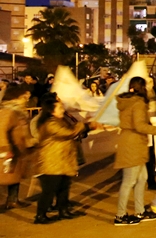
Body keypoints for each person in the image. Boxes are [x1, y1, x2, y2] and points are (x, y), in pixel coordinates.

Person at [113, 77, 156, 225]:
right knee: (129, 180)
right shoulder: (138, 103)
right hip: (133, 144)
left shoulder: (129, 102)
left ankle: (140, 211)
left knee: (142, 178)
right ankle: (120, 215)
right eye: (147, 85)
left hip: (133, 143)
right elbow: (140, 125)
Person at [33, 95, 91, 224]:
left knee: (64, 188)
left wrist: (87, 126)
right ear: (51, 111)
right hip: (52, 162)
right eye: (59, 108)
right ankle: (40, 215)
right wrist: (83, 124)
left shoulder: (61, 121)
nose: (62, 109)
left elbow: (73, 131)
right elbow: (68, 133)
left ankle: (63, 211)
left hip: (62, 160)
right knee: (49, 191)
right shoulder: (50, 124)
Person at [0, 86, 36, 212]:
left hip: (17, 150)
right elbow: (1, 130)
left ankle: (12, 200)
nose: (26, 100)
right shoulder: (7, 112)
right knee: (4, 177)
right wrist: (5, 149)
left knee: (13, 176)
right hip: (7, 152)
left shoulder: (18, 112)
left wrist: (30, 142)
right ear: (15, 97)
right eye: (24, 97)